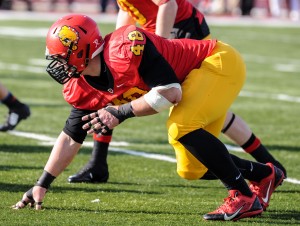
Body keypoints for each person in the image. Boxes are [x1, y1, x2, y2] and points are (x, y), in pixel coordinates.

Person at [12, 14, 285, 221]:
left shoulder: (123, 48)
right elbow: (70, 138)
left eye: (61, 58)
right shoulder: (82, 86)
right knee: (191, 169)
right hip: (193, 82)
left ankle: (244, 196)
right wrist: (42, 184)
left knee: (180, 128)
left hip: (215, 62)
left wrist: (120, 112)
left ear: (81, 50)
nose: (58, 66)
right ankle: (264, 174)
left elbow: (170, 93)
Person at [68, 0, 286, 184]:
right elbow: (128, 8)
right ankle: (98, 162)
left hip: (181, 27)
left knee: (203, 106)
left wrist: (160, 44)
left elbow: (167, 3)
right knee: (112, 85)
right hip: (155, 29)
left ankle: (267, 165)